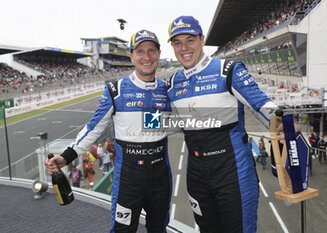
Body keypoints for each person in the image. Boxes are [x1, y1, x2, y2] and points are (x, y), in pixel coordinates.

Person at [45, 30, 172, 233]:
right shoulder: (116, 90)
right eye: (140, 51)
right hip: (128, 180)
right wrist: (67, 156)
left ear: (158, 53)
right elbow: (93, 128)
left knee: (159, 229)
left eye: (151, 51)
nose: (146, 57)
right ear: (131, 56)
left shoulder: (168, 90)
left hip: (160, 178)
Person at [167, 16, 278, 233]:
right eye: (177, 42)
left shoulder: (228, 70)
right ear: (172, 46)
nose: (184, 48)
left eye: (190, 40)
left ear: (201, 39)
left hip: (233, 172)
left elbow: (262, 103)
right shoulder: (172, 83)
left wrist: (281, 122)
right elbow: (163, 122)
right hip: (197, 175)